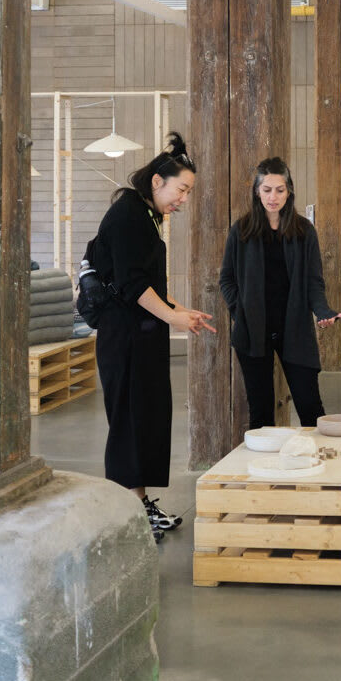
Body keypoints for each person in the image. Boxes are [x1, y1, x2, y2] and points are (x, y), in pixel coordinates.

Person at [90, 132, 216, 543]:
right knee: (129, 420)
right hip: (124, 337)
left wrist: (180, 310)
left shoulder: (146, 215)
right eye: (181, 189)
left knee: (145, 417)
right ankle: (129, 513)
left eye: (188, 192)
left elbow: (152, 284)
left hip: (142, 336)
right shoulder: (128, 214)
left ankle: (139, 504)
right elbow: (132, 285)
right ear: (158, 181)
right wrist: (173, 317)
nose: (183, 199)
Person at [219, 157, 341, 430]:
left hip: (294, 328)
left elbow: (314, 281)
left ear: (289, 192)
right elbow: (226, 279)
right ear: (257, 191)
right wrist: (240, 312)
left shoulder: (304, 231)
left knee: (311, 407)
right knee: (260, 413)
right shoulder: (241, 230)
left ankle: (317, 457)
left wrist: (323, 311)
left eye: (279, 190)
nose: (273, 197)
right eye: (267, 190)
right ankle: (262, 459)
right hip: (253, 330)